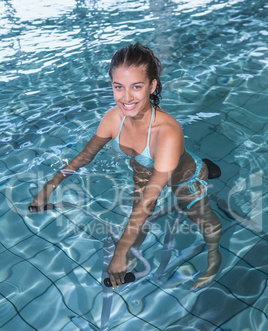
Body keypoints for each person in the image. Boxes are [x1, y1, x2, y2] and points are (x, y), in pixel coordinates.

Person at [30, 43, 222, 290]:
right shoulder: (113, 118)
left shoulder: (167, 132)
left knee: (199, 216)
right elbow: (86, 155)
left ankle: (215, 255)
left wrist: (120, 251)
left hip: (183, 176)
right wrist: (51, 185)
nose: (126, 97)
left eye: (136, 87)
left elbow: (148, 202)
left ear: (152, 86)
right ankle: (130, 256)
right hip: (143, 174)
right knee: (137, 220)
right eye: (118, 87)